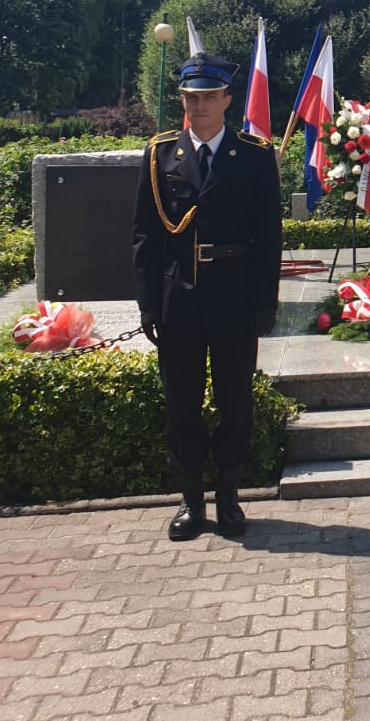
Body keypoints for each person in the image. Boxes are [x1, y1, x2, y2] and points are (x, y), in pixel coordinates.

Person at [133, 52, 282, 539]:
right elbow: (145, 236)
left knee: (235, 402)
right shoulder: (160, 154)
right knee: (183, 404)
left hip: (234, 297)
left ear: (227, 101)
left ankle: (230, 498)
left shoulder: (254, 155)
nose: (199, 106)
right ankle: (191, 500)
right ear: (182, 100)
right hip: (179, 298)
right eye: (191, 98)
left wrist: (265, 302)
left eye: (208, 97)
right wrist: (148, 303)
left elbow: (268, 236)